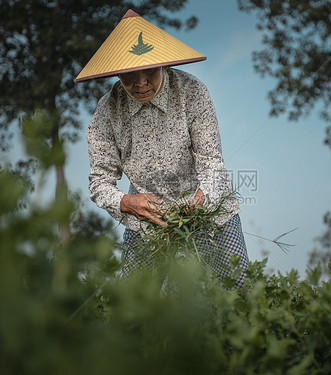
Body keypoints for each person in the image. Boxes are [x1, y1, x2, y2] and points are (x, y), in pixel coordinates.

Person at [76, 10, 249, 288]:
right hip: (145, 222)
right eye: (130, 74)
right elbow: (99, 183)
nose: (141, 81)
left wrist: (200, 201)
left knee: (237, 289)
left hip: (210, 211)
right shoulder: (107, 112)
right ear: (117, 72)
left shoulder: (193, 92)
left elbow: (212, 165)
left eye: (150, 70)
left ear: (163, 65)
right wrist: (127, 202)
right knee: (137, 306)